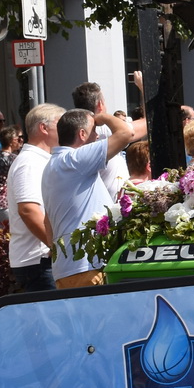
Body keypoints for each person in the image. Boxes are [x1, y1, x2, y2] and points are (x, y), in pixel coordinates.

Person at [41, 107, 135, 287]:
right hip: (86, 267)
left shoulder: (53, 166)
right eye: (95, 131)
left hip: (69, 268)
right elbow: (126, 133)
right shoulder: (75, 159)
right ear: (82, 134)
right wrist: (102, 117)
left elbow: (47, 222)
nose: (98, 136)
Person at [6, 105, 60, 293]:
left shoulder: (39, 159)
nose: (65, 129)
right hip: (39, 261)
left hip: (42, 260)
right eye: (59, 124)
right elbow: (28, 209)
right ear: (43, 128)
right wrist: (57, 247)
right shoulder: (30, 162)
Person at [0, 125, 21, 224]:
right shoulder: (11, 158)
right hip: (3, 203)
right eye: (17, 139)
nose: (20, 141)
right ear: (11, 141)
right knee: (13, 231)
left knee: (1, 235)